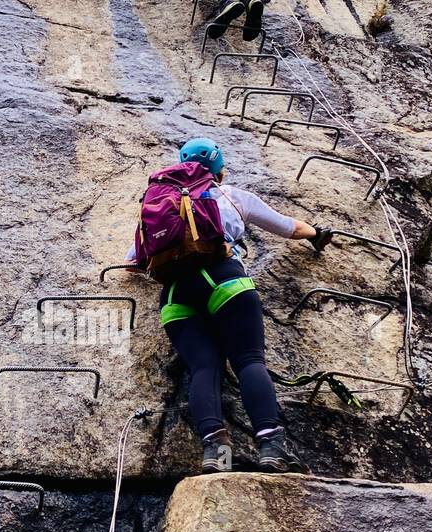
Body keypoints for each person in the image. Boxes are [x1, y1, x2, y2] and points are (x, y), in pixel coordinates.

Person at [128, 138, 333, 473]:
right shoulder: (230, 195)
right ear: (218, 169)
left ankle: (217, 458)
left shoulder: (158, 204)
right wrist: (316, 234)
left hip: (176, 293)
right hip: (225, 281)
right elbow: (289, 227)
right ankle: (271, 449)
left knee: (204, 369)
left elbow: (136, 259)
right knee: (248, 360)